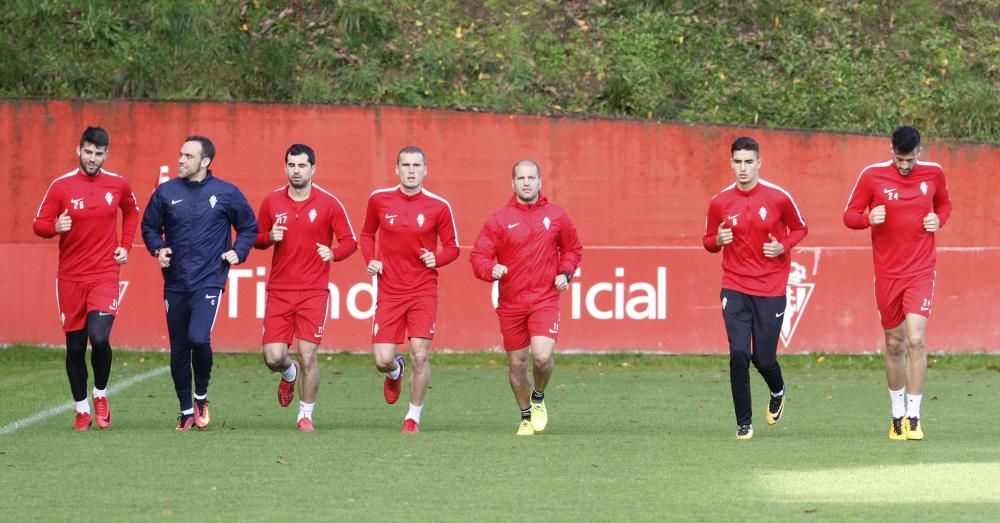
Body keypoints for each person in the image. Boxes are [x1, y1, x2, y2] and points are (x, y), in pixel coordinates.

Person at [141, 135, 258, 431]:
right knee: (179, 346)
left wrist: (239, 251)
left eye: (189, 156)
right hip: (175, 281)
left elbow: (249, 226)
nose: (181, 160)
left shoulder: (227, 193)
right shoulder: (165, 192)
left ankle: (201, 397)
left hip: (209, 279)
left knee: (198, 338)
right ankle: (184, 411)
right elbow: (149, 227)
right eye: (181, 154)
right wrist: (159, 247)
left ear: (205, 162)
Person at [844, 125, 952, 441]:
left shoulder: (934, 173)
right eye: (899, 159)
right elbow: (849, 215)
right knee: (894, 343)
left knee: (915, 339)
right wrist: (868, 219)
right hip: (888, 273)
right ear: (891, 150)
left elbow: (944, 205)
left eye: (910, 159)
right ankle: (896, 416)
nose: (904, 166)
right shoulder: (872, 176)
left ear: (920, 151)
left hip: (921, 270)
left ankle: (915, 417)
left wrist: (939, 219)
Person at [32, 126, 140, 431]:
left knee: (100, 336)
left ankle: (101, 394)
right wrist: (55, 225)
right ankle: (81, 409)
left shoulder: (117, 183)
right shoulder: (61, 186)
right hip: (70, 277)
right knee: (76, 346)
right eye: (88, 152)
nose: (93, 158)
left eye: (99, 153)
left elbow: (131, 213)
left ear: (106, 153)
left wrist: (125, 245)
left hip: (105, 273)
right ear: (78, 151)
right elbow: (38, 224)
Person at [702, 136, 808, 440]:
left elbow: (801, 228)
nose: (743, 168)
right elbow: (708, 240)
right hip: (734, 285)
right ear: (731, 163)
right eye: (738, 162)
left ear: (759, 163)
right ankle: (744, 423)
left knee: (763, 358)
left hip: (771, 287)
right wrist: (717, 242)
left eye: (749, 162)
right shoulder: (720, 201)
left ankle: (777, 389)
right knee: (738, 353)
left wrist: (783, 246)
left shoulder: (778, 198)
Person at [470, 160, 582, 436]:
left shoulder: (556, 215)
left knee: (542, 358)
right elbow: (478, 255)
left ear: (540, 181)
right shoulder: (499, 220)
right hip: (511, 302)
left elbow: (572, 248)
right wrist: (489, 269)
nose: (527, 182)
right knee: (517, 363)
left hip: (545, 299)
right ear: (513, 183)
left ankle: (539, 397)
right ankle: (525, 416)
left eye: (531, 177)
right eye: (521, 178)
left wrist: (565, 273)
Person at [254, 144, 357, 432]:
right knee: (273, 357)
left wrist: (333, 253)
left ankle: (305, 415)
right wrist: (268, 236)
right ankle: (288, 374)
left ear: (313, 169)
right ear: (285, 167)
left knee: (308, 354)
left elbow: (350, 241)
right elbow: (255, 237)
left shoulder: (329, 203)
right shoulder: (272, 201)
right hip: (280, 291)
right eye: (291, 165)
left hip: (313, 292)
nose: (296, 171)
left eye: (301, 166)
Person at [360, 145, 460, 433]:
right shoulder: (379, 200)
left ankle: (412, 417)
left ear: (425, 170)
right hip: (390, 290)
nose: (411, 171)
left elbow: (453, 248)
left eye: (417, 166)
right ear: (397, 169)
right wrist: (372, 260)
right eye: (406, 165)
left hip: (422, 290)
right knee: (382, 360)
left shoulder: (438, 206)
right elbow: (367, 235)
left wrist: (436, 258)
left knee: (420, 353)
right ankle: (395, 371)